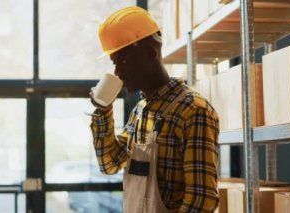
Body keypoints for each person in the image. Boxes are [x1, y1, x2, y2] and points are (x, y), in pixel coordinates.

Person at [90, 6, 219, 213]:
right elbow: (110, 164)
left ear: (150, 54)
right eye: (114, 63)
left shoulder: (193, 111)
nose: (117, 72)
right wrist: (103, 112)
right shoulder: (140, 112)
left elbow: (201, 201)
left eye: (122, 61)